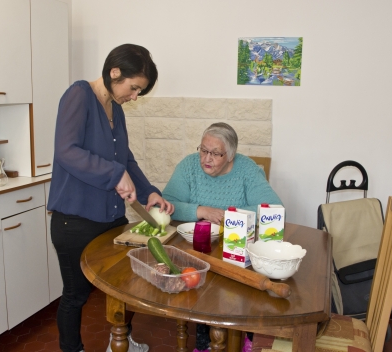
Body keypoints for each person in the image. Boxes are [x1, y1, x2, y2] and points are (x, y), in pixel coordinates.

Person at [47, 43, 174, 352]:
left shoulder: (115, 107)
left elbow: (124, 158)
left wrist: (150, 192)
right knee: (75, 295)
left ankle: (121, 342)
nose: (134, 97)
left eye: (139, 92)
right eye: (133, 88)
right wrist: (113, 174)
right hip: (75, 219)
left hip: (110, 217)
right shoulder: (78, 95)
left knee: (123, 287)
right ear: (115, 72)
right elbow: (67, 151)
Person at [162, 122, 282, 352]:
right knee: (200, 279)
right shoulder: (188, 166)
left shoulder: (247, 169)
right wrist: (201, 211)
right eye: (203, 150)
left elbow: (274, 207)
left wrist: (231, 216)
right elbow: (167, 203)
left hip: (237, 248)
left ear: (230, 155)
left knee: (239, 284)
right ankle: (203, 342)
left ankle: (244, 335)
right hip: (197, 247)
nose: (206, 158)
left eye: (215, 153)